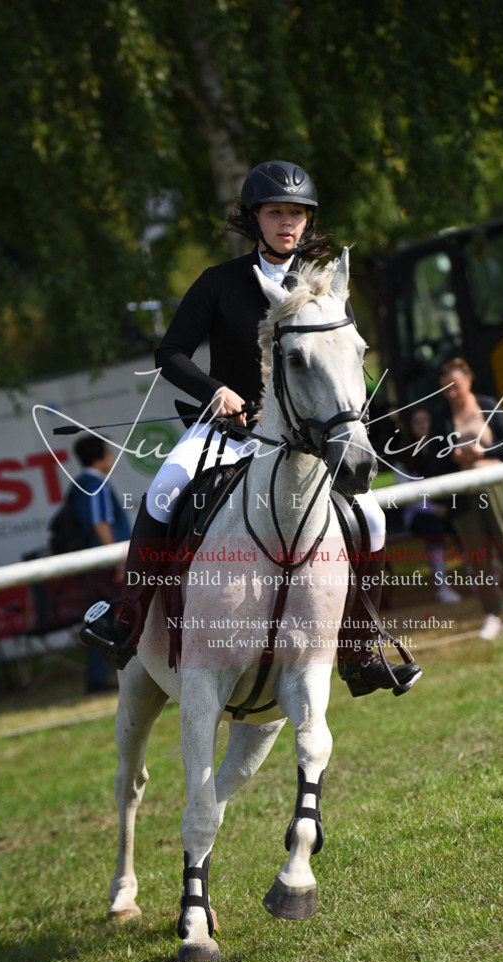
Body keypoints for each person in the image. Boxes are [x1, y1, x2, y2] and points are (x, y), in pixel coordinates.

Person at [80, 160, 421, 696]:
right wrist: (215, 389)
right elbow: (169, 353)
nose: (288, 224)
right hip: (227, 431)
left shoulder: (325, 287)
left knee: (372, 520)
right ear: (255, 218)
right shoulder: (219, 284)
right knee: (165, 490)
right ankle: (127, 613)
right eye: (277, 213)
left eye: (298, 215)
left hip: (303, 441)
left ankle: (358, 647)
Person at [431, 358, 503, 640]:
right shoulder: (440, 416)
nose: (451, 392)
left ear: (468, 380)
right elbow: (433, 460)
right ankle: (492, 614)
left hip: (496, 487)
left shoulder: (487, 404)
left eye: (455, 386)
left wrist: (483, 452)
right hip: (462, 493)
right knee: (476, 557)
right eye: (445, 388)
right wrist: (454, 456)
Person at [70, 435, 131, 692]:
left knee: (98, 619)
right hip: (105, 565)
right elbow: (100, 524)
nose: (112, 456)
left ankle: (99, 677)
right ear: (99, 456)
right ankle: (102, 677)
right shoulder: (95, 484)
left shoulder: (79, 484)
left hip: (92, 565)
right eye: (109, 451)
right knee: (105, 620)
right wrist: (117, 564)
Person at [393, 406, 461, 605]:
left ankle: (478, 580)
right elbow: (407, 497)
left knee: (461, 523)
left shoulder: (445, 448)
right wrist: (434, 509)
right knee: (435, 529)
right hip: (419, 514)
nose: (423, 426)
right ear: (409, 427)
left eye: (426, 420)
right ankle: (443, 589)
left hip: (448, 507)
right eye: (417, 422)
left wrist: (447, 506)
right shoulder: (402, 457)